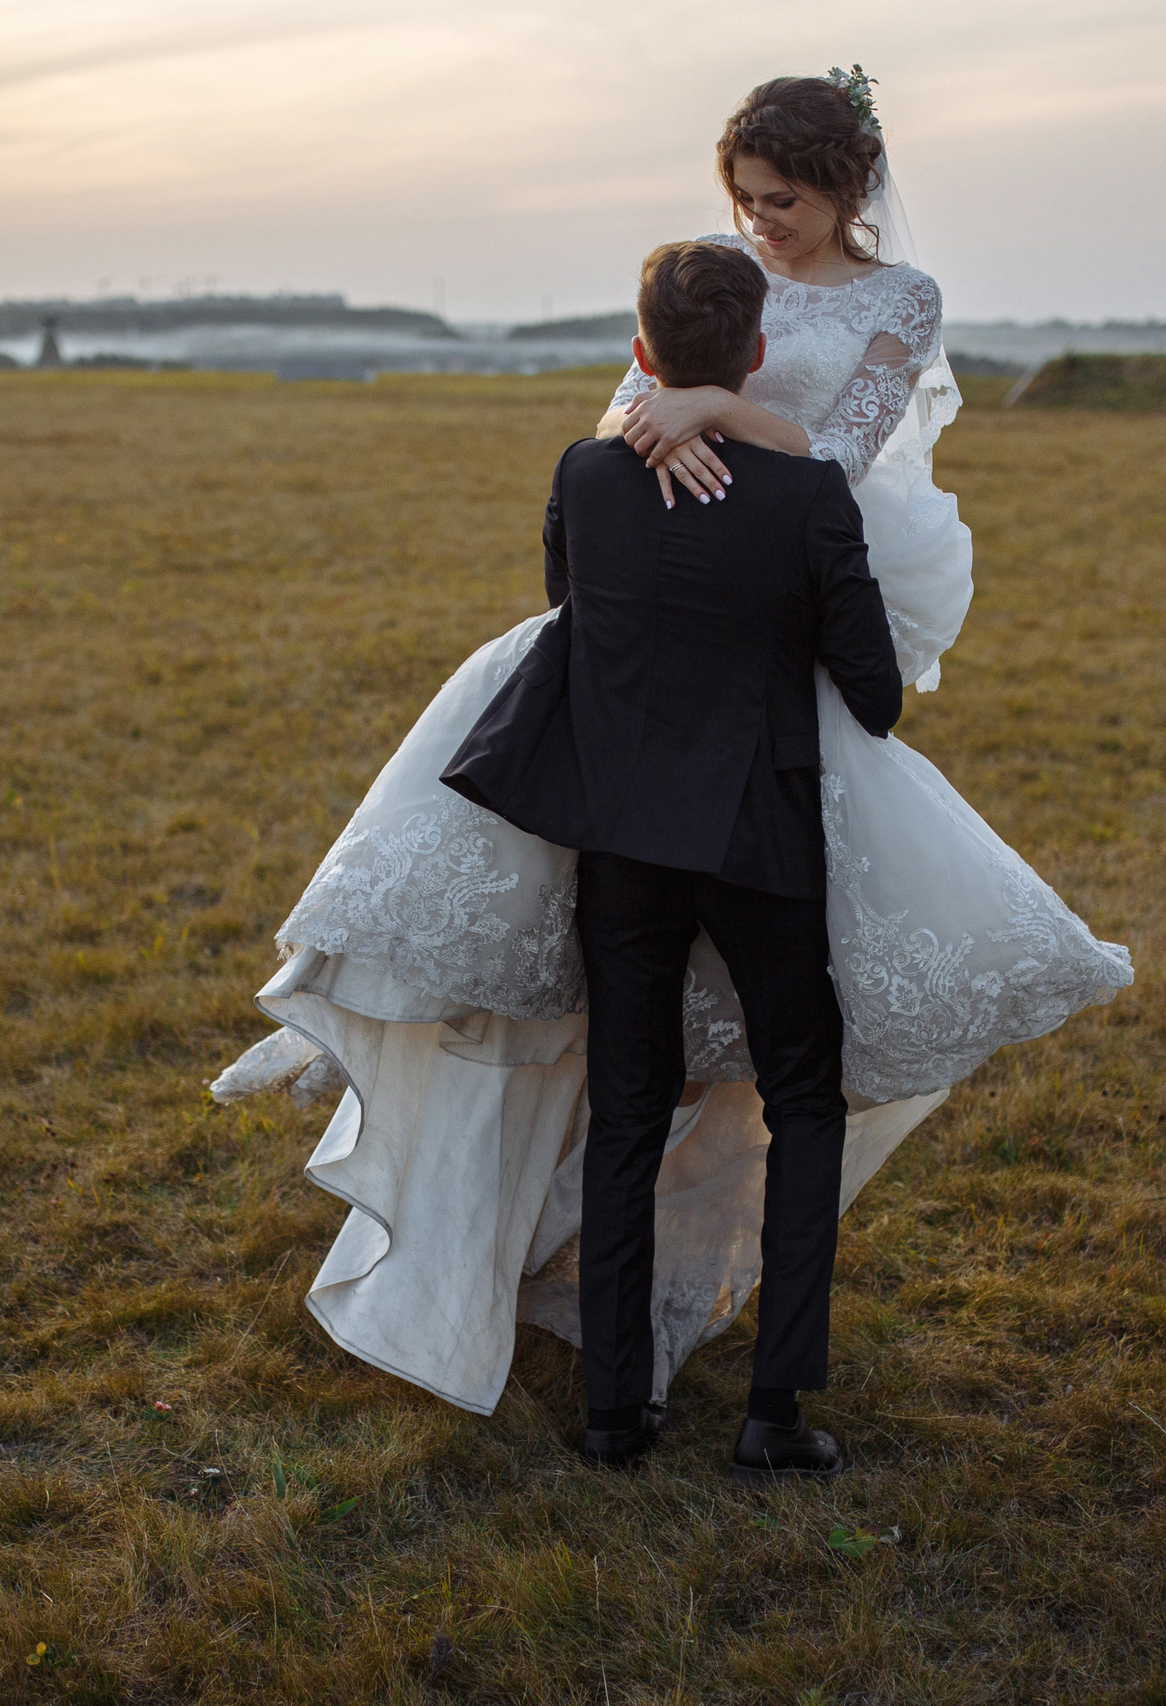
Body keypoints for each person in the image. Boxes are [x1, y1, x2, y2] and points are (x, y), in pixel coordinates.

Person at [211, 70, 1132, 1448]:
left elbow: (828, 454)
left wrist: (705, 414)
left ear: (849, 188)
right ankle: (735, 1380)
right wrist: (671, 424)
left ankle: (624, 1380)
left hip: (752, 623)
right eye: (745, 201)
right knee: (743, 1056)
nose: (762, 223)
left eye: (785, 201)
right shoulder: (698, 318)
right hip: (734, 671)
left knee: (662, 1053)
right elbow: (620, 446)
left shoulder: (893, 305)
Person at [442, 237, 902, 1475]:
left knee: (628, 1107)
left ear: (640, 352)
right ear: (757, 355)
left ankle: (613, 1411)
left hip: (623, 839)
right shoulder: (807, 497)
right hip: (760, 834)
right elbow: (875, 694)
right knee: (803, 1095)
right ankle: (773, 1411)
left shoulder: (586, 475)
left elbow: (570, 613)